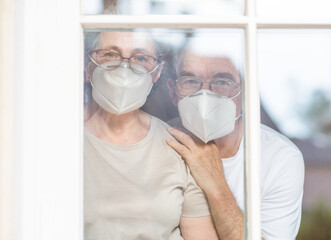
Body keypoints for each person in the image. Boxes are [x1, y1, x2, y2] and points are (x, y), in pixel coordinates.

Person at [83, 31, 219, 240]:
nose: (125, 68)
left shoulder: (178, 147)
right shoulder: (60, 139)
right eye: (110, 54)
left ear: (157, 72)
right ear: (87, 65)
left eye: (140, 58)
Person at [165, 39, 305, 240]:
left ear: (245, 92)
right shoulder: (158, 142)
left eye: (222, 82)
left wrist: (216, 183)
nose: (205, 94)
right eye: (191, 81)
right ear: (173, 91)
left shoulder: (279, 158)